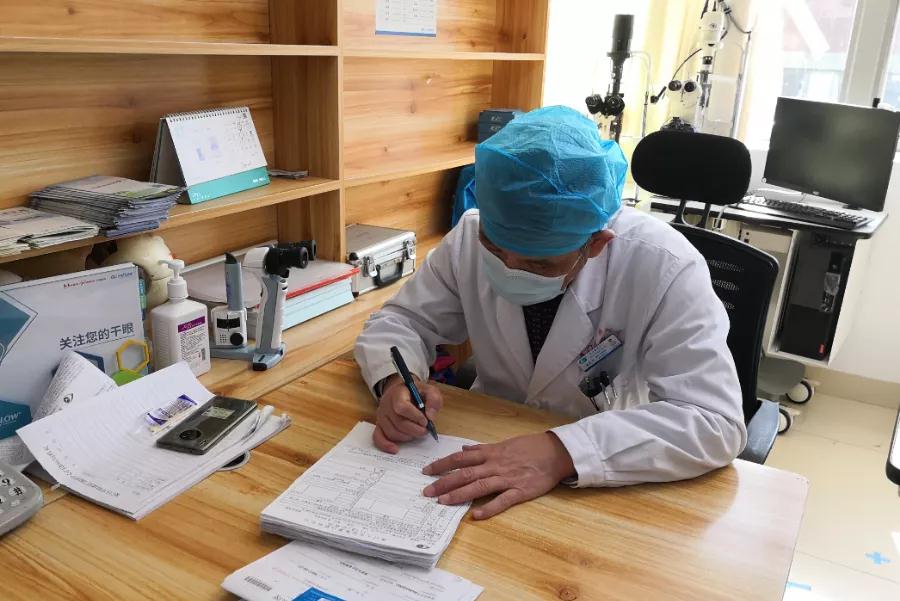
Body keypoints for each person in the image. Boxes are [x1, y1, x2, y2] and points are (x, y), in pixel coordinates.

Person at [353, 106, 745, 520]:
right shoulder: (469, 235)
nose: (509, 268)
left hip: (601, 471)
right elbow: (401, 321)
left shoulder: (665, 265)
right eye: (494, 247)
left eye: (538, 263)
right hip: (484, 441)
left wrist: (563, 451)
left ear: (596, 244)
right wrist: (396, 381)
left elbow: (715, 422)